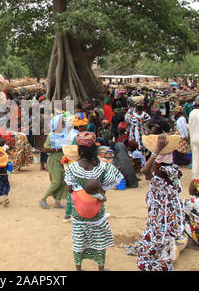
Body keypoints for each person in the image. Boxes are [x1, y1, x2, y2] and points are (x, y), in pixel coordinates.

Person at [64, 131, 123, 271]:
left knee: (79, 240)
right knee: (99, 240)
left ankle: (79, 268)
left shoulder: (71, 168)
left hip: (79, 212)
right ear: (95, 147)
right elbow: (108, 186)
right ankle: (101, 268)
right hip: (97, 211)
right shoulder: (104, 167)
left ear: (79, 148)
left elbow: (70, 190)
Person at [137, 134, 185, 271]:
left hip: (158, 224)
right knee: (164, 249)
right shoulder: (174, 175)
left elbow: (144, 170)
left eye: (154, 165)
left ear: (158, 168)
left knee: (149, 252)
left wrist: (157, 150)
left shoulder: (159, 182)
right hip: (167, 223)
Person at [39, 115, 69, 209]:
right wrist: (58, 149)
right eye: (61, 123)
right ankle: (43, 199)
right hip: (54, 161)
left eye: (63, 122)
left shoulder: (65, 134)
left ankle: (57, 201)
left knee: (63, 182)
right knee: (56, 182)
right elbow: (45, 149)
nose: (63, 124)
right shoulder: (51, 136)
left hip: (63, 161)